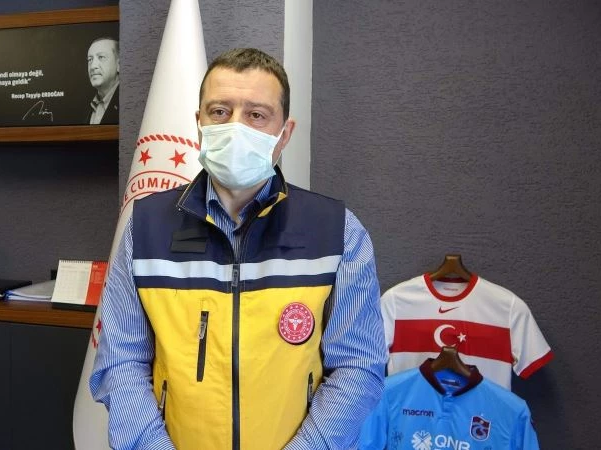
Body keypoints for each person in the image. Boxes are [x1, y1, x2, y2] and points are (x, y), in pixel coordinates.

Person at [90, 48, 387, 450]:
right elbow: (121, 362)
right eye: (219, 111)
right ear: (199, 123)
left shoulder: (337, 231)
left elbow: (358, 368)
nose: (235, 127)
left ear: (285, 133)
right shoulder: (145, 228)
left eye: (256, 115)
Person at [86, 37, 119, 125]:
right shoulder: (85, 108)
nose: (93, 66)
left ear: (119, 64)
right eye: (90, 59)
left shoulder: (129, 103)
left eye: (101, 57)